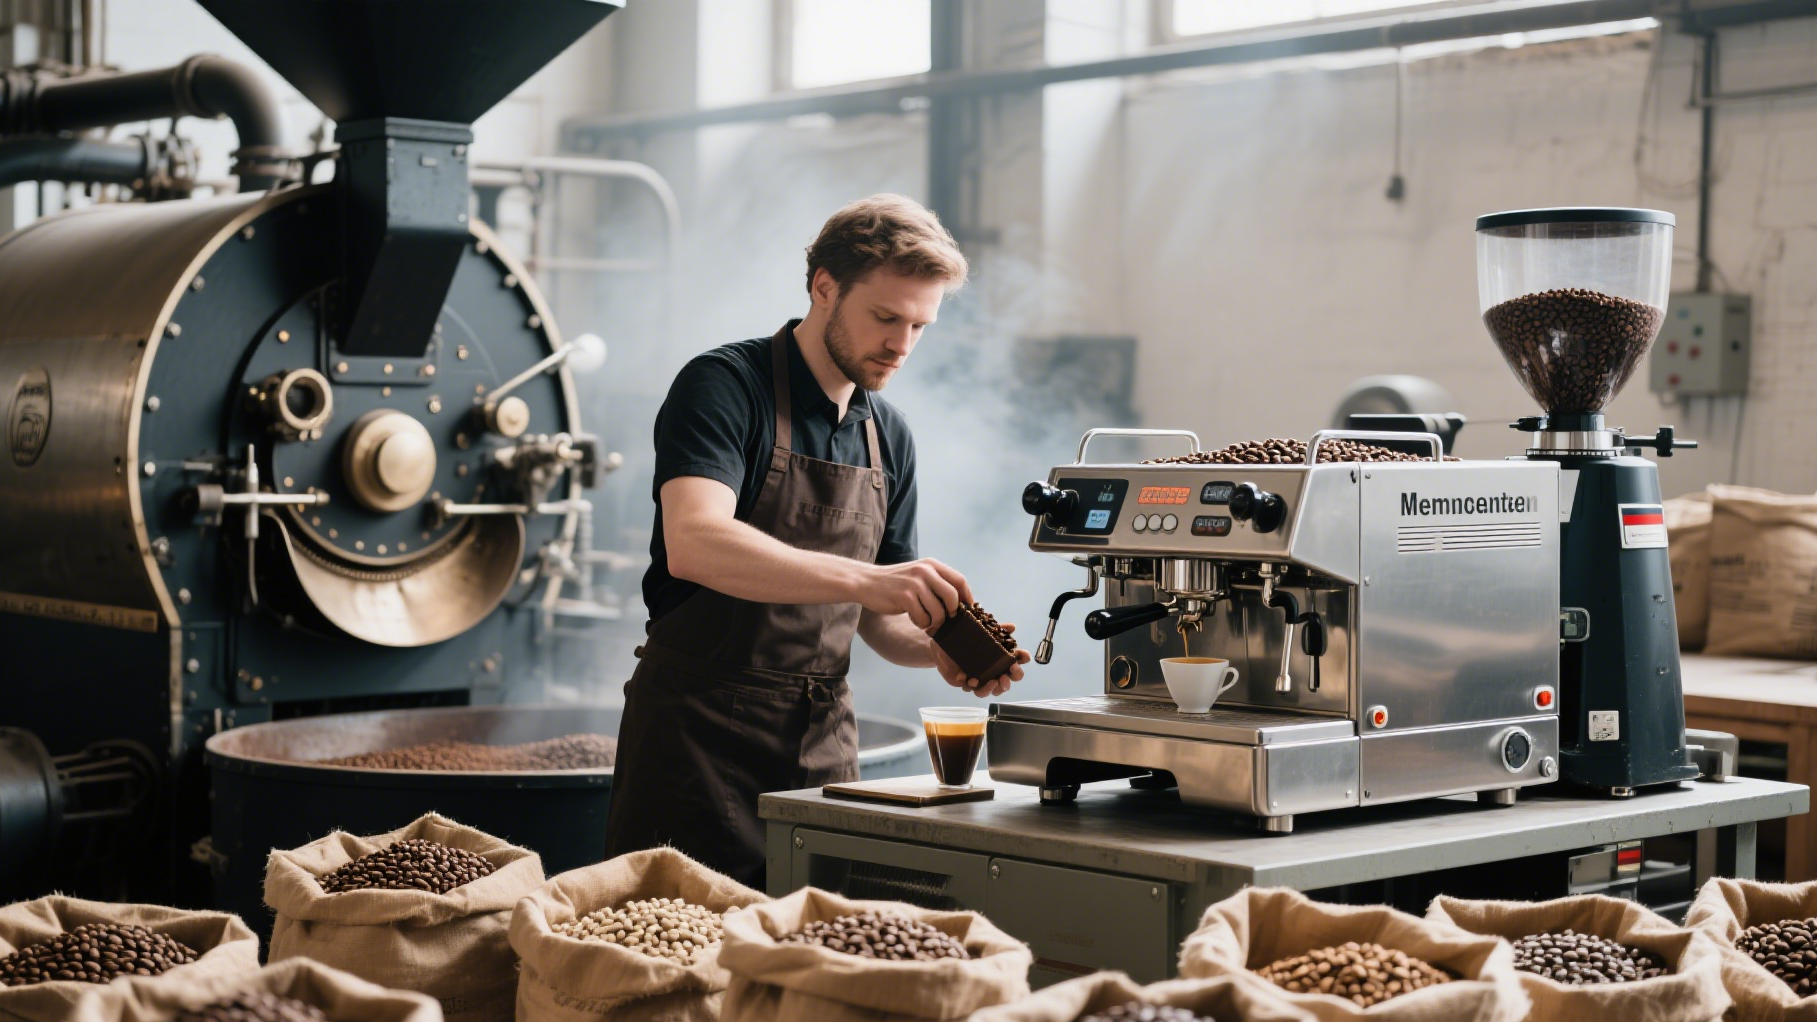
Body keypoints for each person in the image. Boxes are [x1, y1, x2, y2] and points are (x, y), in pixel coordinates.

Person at [604, 194, 1029, 885]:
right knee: (689, 939)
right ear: (824, 287)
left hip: (821, 744)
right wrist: (865, 579)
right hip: (695, 740)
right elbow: (695, 540)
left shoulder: (887, 435)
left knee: (818, 932)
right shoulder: (723, 385)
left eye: (919, 326)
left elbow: (879, 620)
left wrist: (937, 651)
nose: (901, 345)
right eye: (885, 317)